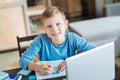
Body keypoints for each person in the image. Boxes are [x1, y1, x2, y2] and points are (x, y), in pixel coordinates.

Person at [19, 6, 96, 75]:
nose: (54, 30)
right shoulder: (40, 40)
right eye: (49, 26)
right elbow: (23, 60)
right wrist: (38, 67)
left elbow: (94, 50)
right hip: (47, 76)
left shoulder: (73, 38)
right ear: (44, 29)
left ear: (65, 24)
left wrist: (71, 62)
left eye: (58, 24)